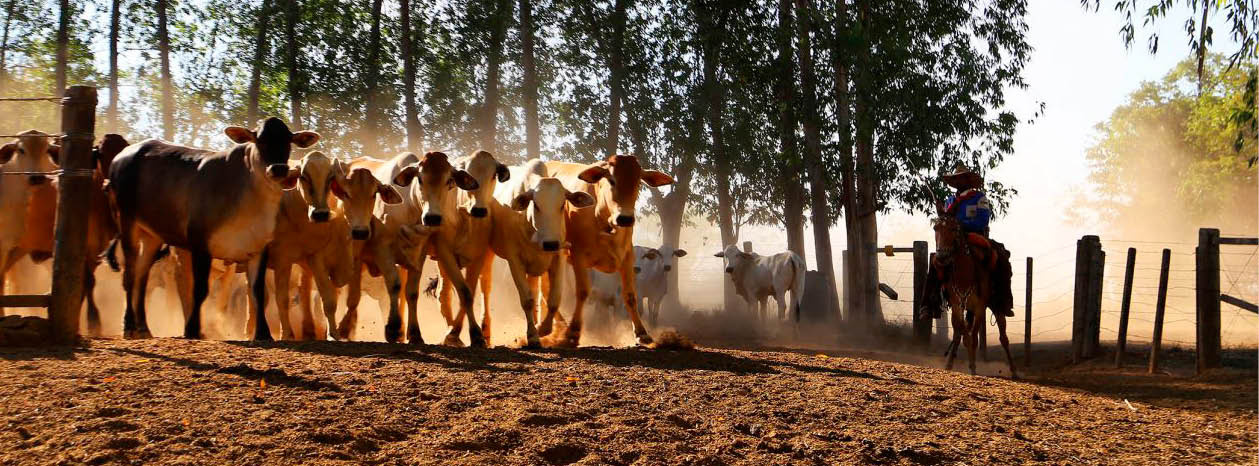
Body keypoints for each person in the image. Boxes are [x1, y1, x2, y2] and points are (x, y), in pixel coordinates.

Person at [919, 165, 1014, 319]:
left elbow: (983, 220)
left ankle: (1003, 302)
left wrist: (959, 225)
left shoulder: (979, 198)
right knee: (935, 261)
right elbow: (945, 221)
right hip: (953, 239)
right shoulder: (950, 200)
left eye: (961, 178)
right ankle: (929, 304)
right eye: (956, 179)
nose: (958, 181)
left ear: (968, 180)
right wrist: (941, 213)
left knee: (1001, 257)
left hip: (974, 235)